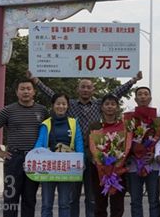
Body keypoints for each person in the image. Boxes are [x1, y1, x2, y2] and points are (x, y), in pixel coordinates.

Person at [30, 71, 142, 217]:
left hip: (96, 158)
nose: (85, 89)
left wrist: (133, 81)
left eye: (89, 87)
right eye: (82, 87)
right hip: (73, 156)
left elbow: (116, 93)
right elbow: (53, 96)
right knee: (72, 197)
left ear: (93, 90)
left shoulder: (98, 104)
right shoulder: (71, 105)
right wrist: (36, 81)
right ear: (78, 89)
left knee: (92, 197)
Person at [0, 79, 49, 217]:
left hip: (34, 160)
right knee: (11, 198)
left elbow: (48, 132)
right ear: (17, 92)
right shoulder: (8, 110)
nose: (26, 91)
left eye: (28, 88)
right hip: (14, 159)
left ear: (34, 92)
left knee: (29, 199)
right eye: (22, 89)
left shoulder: (42, 111)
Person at [34, 93, 84, 217]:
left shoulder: (73, 123)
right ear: (53, 105)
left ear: (67, 106)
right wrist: (33, 158)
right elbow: (39, 144)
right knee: (46, 204)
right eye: (58, 103)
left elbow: (79, 143)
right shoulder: (46, 123)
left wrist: (80, 160)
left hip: (67, 168)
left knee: (65, 204)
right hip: (48, 168)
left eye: (64, 104)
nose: (61, 106)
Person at [88, 93, 127, 217]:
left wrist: (121, 160)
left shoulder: (123, 126)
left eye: (113, 104)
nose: (110, 107)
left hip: (118, 170)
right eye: (107, 104)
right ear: (102, 107)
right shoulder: (94, 125)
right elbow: (87, 145)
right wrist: (94, 160)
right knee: (100, 205)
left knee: (118, 205)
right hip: (99, 170)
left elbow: (127, 146)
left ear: (117, 107)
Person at [126, 86, 160, 217]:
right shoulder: (129, 118)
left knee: (154, 200)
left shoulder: (158, 117)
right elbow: (124, 140)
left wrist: (155, 153)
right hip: (134, 165)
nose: (142, 96)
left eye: (146, 94)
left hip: (153, 165)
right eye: (139, 94)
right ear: (135, 99)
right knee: (135, 201)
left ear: (150, 98)